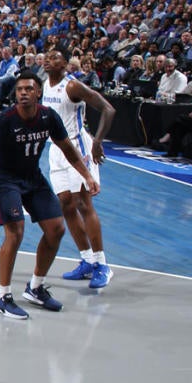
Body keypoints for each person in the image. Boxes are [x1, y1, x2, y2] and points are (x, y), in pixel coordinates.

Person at [0, 71, 100, 320]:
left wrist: (87, 175)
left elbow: (68, 148)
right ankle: (1, 296)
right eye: (19, 90)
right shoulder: (5, 120)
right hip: (6, 178)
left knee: (57, 229)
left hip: (32, 177)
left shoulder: (48, 117)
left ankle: (35, 287)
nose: (23, 93)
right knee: (15, 232)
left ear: (39, 93)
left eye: (28, 89)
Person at [41, 50, 116, 290]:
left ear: (64, 64)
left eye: (54, 57)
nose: (48, 59)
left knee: (84, 204)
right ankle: (86, 260)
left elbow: (108, 109)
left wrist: (97, 141)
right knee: (65, 204)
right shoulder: (43, 85)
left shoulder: (72, 87)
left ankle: (103, 265)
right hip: (56, 149)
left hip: (77, 146)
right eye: (47, 56)